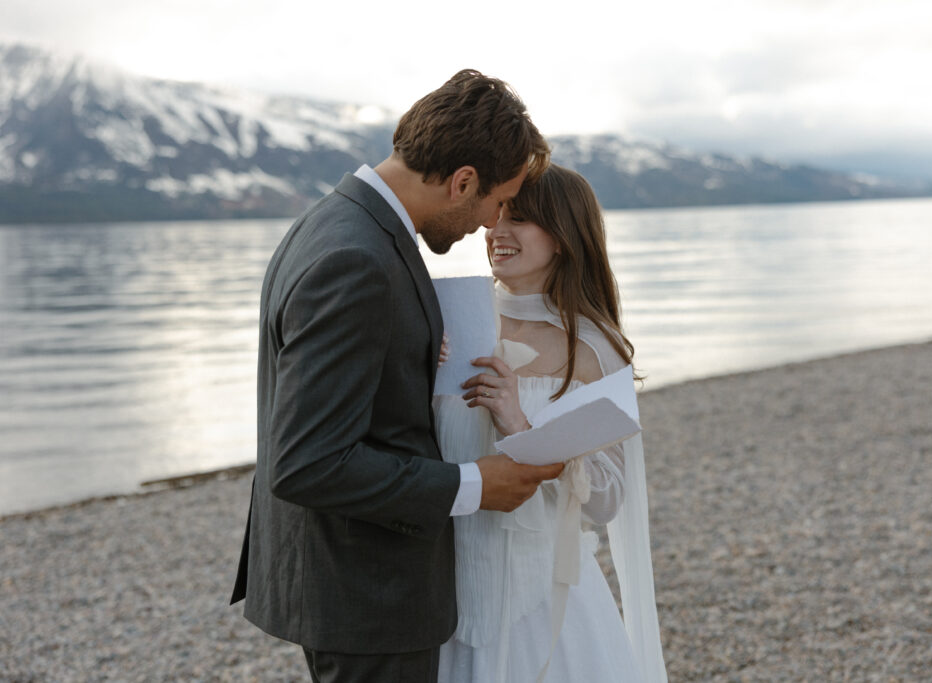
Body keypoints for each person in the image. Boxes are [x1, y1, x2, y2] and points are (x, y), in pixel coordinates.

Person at [229, 70, 563, 683]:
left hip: (346, 583)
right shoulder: (356, 258)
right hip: (366, 593)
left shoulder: (335, 224)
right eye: (496, 201)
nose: (490, 223)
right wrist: (474, 483)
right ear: (463, 181)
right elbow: (306, 462)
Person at [434, 165, 667, 682]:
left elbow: (607, 500)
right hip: (443, 600)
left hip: (545, 606)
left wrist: (522, 429)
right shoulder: (445, 321)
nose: (496, 230)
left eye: (519, 219)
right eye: (496, 213)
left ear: (562, 235)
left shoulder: (593, 347)